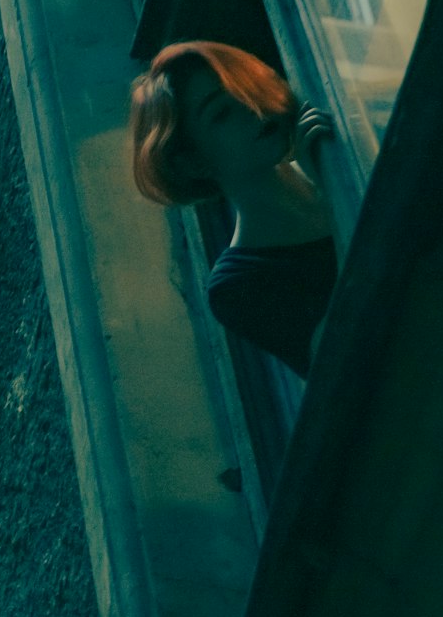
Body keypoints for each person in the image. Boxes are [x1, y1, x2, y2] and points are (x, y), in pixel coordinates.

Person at [130, 40, 337, 376]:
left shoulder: (333, 152)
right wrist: (336, 197)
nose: (250, 107)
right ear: (193, 162)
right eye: (221, 113)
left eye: (243, 88)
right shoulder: (239, 284)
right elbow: (340, 362)